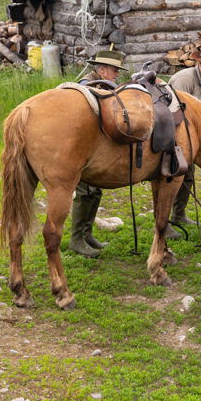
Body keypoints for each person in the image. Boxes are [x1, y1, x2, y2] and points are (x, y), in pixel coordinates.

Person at [67, 48, 127, 258]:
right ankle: (76, 239)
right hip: (82, 145)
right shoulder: (86, 86)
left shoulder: (102, 84)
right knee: (84, 191)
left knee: (96, 190)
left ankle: (87, 234)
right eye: (113, 70)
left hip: (95, 146)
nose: (116, 74)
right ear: (101, 70)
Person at [164, 45, 201, 237]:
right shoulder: (184, 80)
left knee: (188, 176)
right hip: (171, 133)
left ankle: (178, 214)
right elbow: (175, 111)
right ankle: (164, 221)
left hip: (189, 137)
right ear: (200, 63)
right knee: (171, 178)